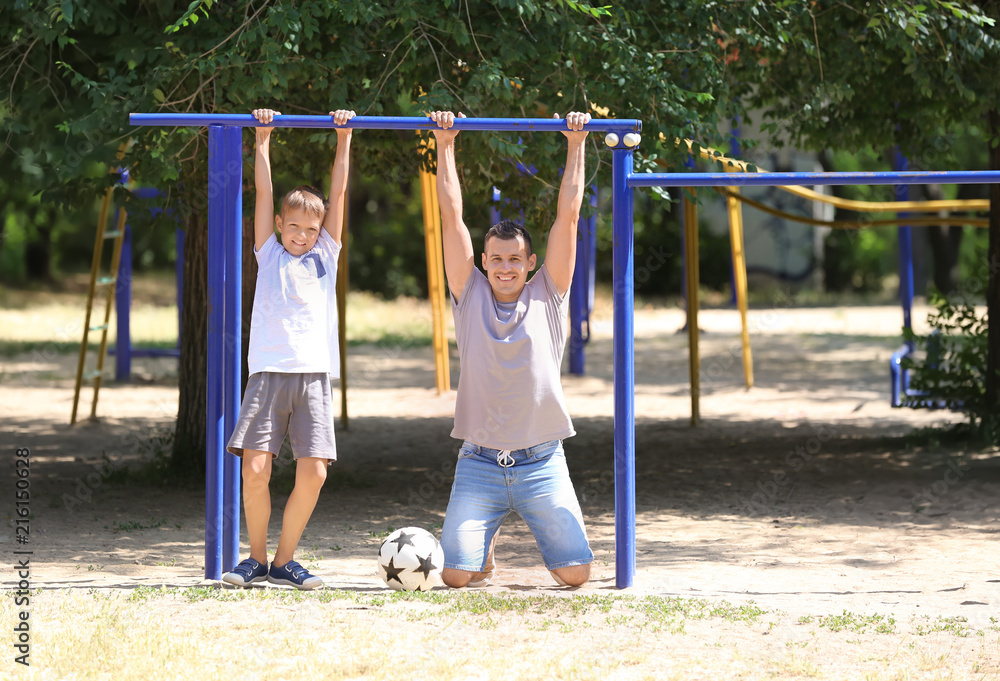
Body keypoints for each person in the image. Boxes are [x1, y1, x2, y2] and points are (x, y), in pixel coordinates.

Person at [430, 109, 594, 588]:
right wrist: (445, 144)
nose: (505, 268)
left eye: (515, 260)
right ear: (483, 262)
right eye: (496, 259)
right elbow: (451, 216)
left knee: (575, 575)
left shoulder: (549, 291)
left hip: (541, 460)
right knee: (457, 577)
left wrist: (575, 143)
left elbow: (569, 214)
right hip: (480, 460)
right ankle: (482, 541)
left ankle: (491, 529)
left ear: (531, 262)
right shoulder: (469, 291)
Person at [221, 107, 355, 590]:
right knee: (254, 469)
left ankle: (284, 560)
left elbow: (337, 193)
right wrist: (262, 140)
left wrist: (343, 139)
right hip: (269, 373)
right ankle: (255, 559)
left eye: (311, 230)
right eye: (294, 226)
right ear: (280, 225)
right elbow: (261, 193)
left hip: (315, 374)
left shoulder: (326, 255)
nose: (302, 236)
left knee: (314, 472)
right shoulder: (269, 252)